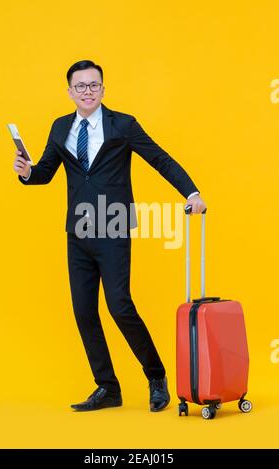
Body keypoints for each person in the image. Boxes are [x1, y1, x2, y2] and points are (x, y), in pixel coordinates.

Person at [13, 60, 206, 412]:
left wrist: (191, 194)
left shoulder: (123, 126)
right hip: (77, 233)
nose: (87, 91)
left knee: (119, 305)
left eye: (94, 85)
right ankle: (108, 387)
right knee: (84, 312)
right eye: (80, 86)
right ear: (69, 91)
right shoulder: (60, 129)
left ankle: (155, 375)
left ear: (103, 89)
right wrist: (27, 173)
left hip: (113, 226)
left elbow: (160, 159)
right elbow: (44, 173)